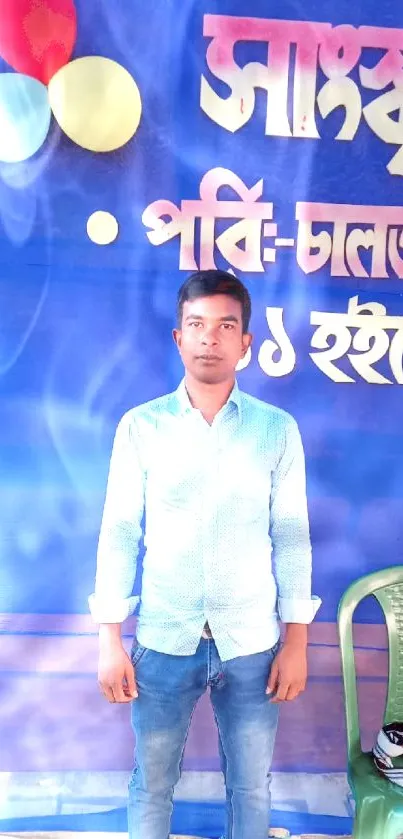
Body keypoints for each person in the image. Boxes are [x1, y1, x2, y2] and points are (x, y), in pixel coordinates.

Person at [90, 269, 321, 839]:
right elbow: (120, 530)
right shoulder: (141, 428)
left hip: (253, 645)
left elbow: (291, 534)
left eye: (225, 326)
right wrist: (109, 638)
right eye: (196, 325)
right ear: (178, 337)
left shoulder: (275, 430)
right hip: (165, 638)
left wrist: (296, 641)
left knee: (249, 789)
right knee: (151, 784)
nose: (209, 338)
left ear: (246, 342)